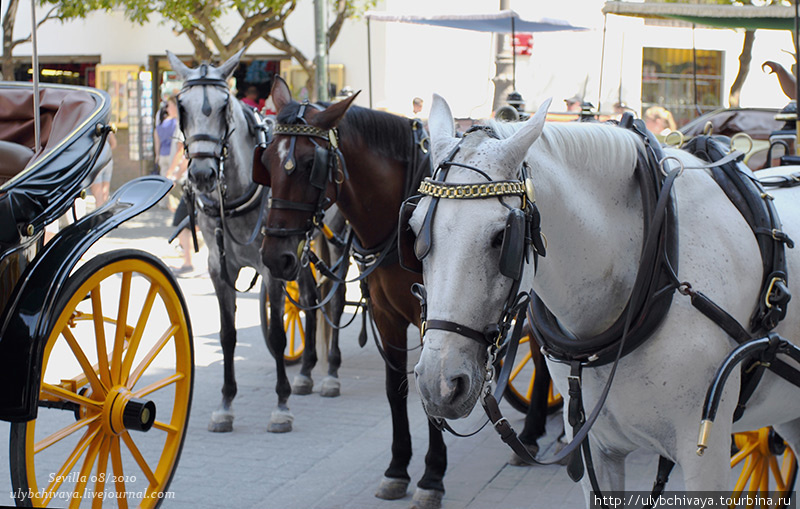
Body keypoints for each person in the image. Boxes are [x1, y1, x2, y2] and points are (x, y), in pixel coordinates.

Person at [166, 153, 194, 275]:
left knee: (182, 223)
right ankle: (189, 262)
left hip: (195, 184)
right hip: (196, 182)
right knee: (187, 223)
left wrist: (174, 176)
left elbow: (184, 154)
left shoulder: (188, 134)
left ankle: (189, 263)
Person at [154, 97, 184, 209]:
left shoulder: (177, 123)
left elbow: (180, 150)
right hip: (170, 157)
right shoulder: (174, 123)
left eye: (169, 106)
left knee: (168, 183)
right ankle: (167, 203)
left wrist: (172, 171)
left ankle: (164, 203)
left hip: (176, 163)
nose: (167, 109)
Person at [90, 131, 117, 207]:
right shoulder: (106, 125)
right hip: (107, 161)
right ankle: (104, 214)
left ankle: (100, 217)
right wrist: (106, 151)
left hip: (96, 163)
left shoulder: (90, 126)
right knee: (105, 193)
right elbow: (114, 143)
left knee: (98, 197)